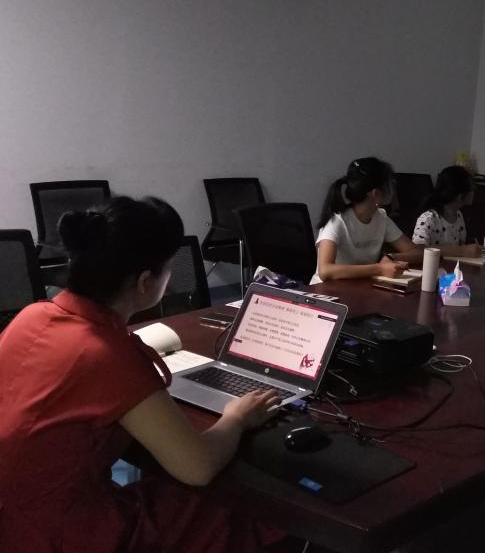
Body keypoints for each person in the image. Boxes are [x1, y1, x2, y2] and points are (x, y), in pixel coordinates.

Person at [0, 196, 284, 553]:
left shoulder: (32, 315)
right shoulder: (108, 355)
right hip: (53, 534)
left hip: (12, 516)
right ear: (146, 282)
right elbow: (197, 467)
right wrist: (237, 418)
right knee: (237, 506)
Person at [312, 157, 423, 284]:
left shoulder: (381, 218)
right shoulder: (337, 221)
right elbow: (325, 271)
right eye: (389, 184)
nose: (392, 190)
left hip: (356, 287)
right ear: (376, 193)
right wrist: (380, 269)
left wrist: (391, 257)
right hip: (323, 291)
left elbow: (418, 252)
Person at [411, 165, 483, 258]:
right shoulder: (428, 219)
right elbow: (418, 250)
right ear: (459, 196)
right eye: (471, 189)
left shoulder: (459, 215)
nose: (474, 192)